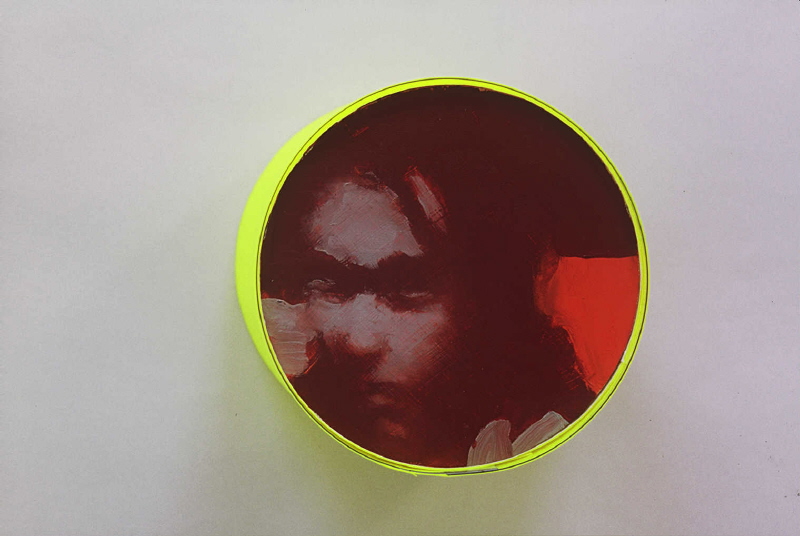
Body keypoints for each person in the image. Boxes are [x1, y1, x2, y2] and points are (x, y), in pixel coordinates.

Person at [260, 86, 637, 467]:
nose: (358, 341)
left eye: (407, 287)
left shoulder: (554, 438)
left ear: (494, 296)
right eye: (331, 285)